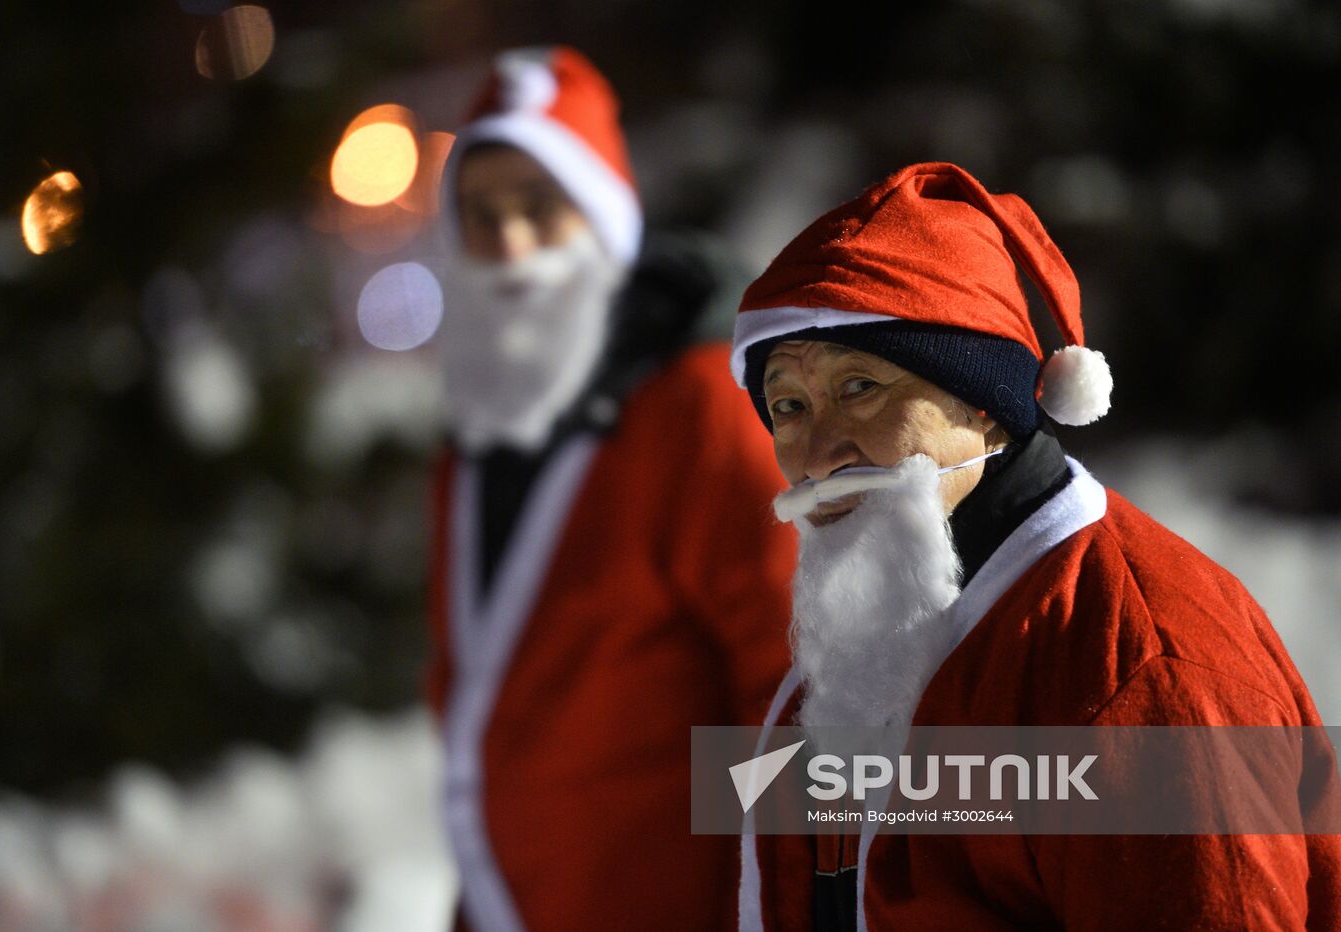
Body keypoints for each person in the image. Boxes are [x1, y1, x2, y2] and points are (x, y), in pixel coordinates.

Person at [728, 161, 1341, 930]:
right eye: (788, 406)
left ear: (984, 404)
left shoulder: (1140, 662)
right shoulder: (859, 646)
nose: (821, 453)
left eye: (861, 388)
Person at [423, 46, 797, 931]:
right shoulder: (477, 425)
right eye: (480, 215)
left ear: (601, 218)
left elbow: (791, 687)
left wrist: (774, 899)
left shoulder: (697, 407)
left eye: (539, 208)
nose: (509, 243)